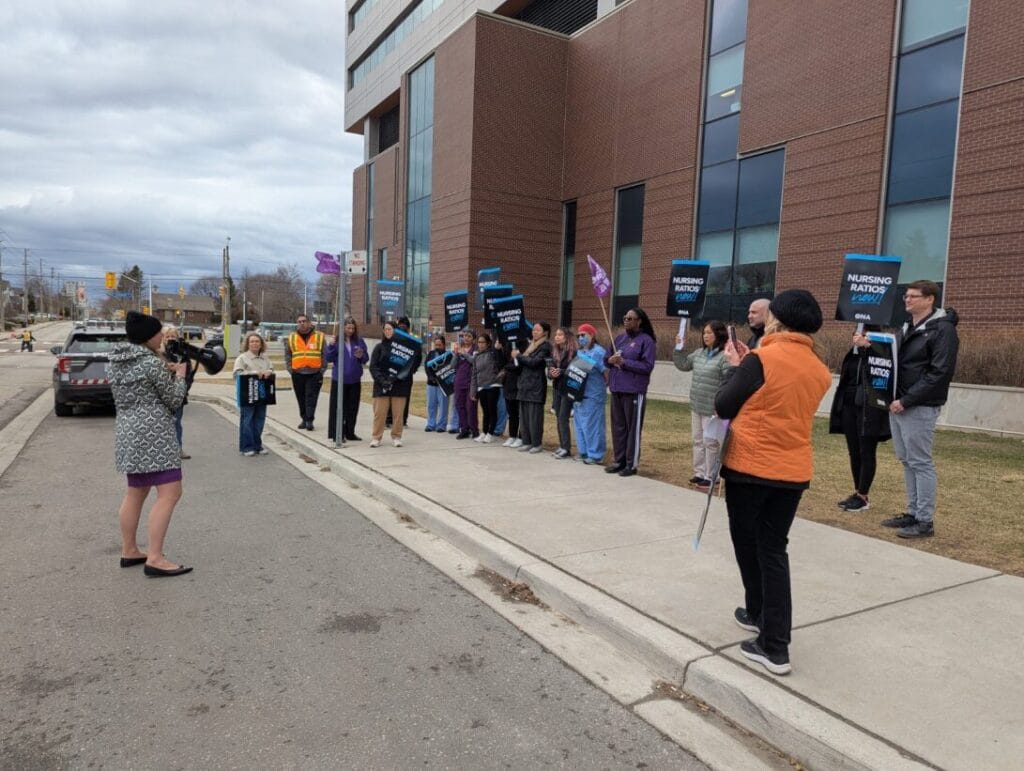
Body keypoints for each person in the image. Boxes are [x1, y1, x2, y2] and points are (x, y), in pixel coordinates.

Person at [714, 289, 832, 675]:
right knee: (773, 550)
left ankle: (773, 643)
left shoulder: (762, 359)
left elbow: (724, 404)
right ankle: (762, 620)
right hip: (793, 471)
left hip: (751, 467)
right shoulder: (817, 368)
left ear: (776, 318)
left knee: (750, 546)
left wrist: (736, 367)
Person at [108, 311, 192, 577]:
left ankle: (129, 549)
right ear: (148, 336)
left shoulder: (117, 362)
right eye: (158, 333)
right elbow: (174, 400)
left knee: (136, 492)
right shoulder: (152, 364)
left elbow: (140, 388)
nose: (161, 337)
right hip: (154, 434)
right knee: (170, 493)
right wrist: (179, 376)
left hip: (128, 432)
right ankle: (155, 557)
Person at [879, 280, 959, 539]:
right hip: (898, 403)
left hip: (918, 406)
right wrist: (867, 344)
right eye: (906, 296)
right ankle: (912, 512)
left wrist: (907, 400)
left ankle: (925, 521)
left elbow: (939, 372)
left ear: (930, 299)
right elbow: (893, 358)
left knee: (920, 462)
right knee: (907, 460)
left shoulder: (942, 330)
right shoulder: (907, 327)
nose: (907, 300)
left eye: (913, 296)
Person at [828, 325, 890, 512]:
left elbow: (879, 374)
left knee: (866, 451)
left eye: (862, 333)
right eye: (856, 333)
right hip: (848, 405)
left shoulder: (879, 353)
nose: (857, 336)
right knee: (854, 451)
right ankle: (857, 492)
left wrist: (867, 349)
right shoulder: (852, 353)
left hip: (868, 408)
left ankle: (863, 495)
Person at [674, 320, 732, 490]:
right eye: (704, 333)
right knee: (697, 440)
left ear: (719, 335)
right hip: (697, 405)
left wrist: (721, 402)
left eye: (710, 333)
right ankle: (699, 473)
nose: (706, 336)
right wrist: (679, 348)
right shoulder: (699, 353)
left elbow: (729, 379)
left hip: (713, 409)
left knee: (711, 442)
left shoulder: (724, 357)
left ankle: (711, 476)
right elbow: (683, 364)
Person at [604, 308, 656, 477]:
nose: (626, 320)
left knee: (632, 428)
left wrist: (625, 362)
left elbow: (647, 366)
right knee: (618, 427)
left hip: (634, 390)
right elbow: (606, 358)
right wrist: (610, 361)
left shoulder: (646, 341)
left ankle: (630, 464)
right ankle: (619, 460)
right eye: (625, 317)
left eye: (630, 318)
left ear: (639, 321)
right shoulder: (619, 339)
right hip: (617, 388)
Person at [368, 321, 415, 447]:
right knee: (379, 414)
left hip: (398, 385)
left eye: (390, 329)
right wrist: (383, 381)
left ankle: (397, 436)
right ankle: (376, 437)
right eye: (386, 329)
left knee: (398, 414)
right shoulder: (379, 347)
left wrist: (394, 379)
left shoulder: (403, 349)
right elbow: (373, 367)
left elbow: (406, 368)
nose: (388, 331)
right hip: (381, 385)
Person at [325, 317, 369, 441]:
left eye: (352, 328)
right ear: (343, 328)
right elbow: (328, 358)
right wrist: (331, 345)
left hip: (354, 380)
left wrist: (362, 355)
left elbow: (366, 359)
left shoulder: (359, 341)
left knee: (352, 408)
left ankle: (350, 432)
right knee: (337, 408)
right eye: (348, 328)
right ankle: (336, 434)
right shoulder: (337, 341)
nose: (350, 330)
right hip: (339, 380)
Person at [511, 322, 551, 454]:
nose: (534, 332)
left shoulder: (545, 346)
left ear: (545, 332)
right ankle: (526, 441)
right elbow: (523, 364)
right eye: (534, 330)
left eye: (538, 330)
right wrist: (516, 359)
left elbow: (534, 363)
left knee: (534, 418)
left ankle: (536, 443)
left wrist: (519, 356)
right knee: (524, 417)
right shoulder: (530, 345)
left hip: (536, 386)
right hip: (524, 385)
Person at [233, 332, 274, 456]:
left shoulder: (265, 358)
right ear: (247, 344)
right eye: (252, 341)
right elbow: (236, 374)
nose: (255, 343)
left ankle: (258, 445)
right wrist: (254, 373)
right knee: (247, 420)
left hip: (262, 394)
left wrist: (269, 372)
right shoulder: (242, 358)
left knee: (259, 420)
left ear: (261, 344)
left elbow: (271, 369)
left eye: (257, 341)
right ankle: (247, 447)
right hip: (247, 394)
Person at [572, 323, 607, 465]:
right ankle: (584, 451)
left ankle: (596, 454)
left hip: (593, 394)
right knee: (580, 424)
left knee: (593, 426)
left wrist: (605, 386)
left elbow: (606, 372)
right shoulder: (579, 352)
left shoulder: (598, 352)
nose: (580, 337)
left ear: (591, 336)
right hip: (579, 393)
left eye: (583, 335)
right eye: (578, 335)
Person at [284, 314, 327, 431]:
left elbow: (324, 354)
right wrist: (290, 369)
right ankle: (304, 418)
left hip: (314, 373)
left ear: (309, 323)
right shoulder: (291, 337)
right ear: (297, 324)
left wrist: (322, 370)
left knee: (311, 397)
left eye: (304, 321)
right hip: (297, 373)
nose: (302, 323)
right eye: (299, 321)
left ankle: (309, 420)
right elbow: (288, 354)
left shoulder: (319, 336)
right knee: (300, 397)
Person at [160, 325, 194, 460]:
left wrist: (184, 388)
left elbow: (189, 374)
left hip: (178, 394)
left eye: (172, 336)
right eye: (167, 336)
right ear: (162, 338)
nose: (170, 339)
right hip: (161, 395)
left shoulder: (182, 354)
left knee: (176, 422)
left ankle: (177, 449)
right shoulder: (158, 353)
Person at [547, 326, 577, 459]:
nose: (557, 337)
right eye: (556, 334)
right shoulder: (555, 351)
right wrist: (551, 373)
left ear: (567, 337)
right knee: (558, 417)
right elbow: (550, 368)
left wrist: (561, 372)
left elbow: (576, 371)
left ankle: (566, 448)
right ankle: (562, 446)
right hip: (556, 387)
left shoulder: (574, 352)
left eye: (560, 335)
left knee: (563, 418)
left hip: (568, 389)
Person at [470, 332, 505, 443]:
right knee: (485, 411)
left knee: (492, 410)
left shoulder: (492, 353)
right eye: (479, 342)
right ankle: (484, 432)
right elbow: (474, 374)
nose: (480, 344)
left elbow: (501, 364)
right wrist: (473, 390)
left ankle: (491, 433)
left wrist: (499, 377)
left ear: (488, 343)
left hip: (493, 385)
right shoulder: (476, 356)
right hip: (481, 387)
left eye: (483, 342)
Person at [452, 329, 479, 439]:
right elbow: (453, 366)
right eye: (464, 336)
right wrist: (456, 354)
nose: (466, 338)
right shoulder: (459, 349)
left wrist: (465, 354)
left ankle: (474, 430)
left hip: (471, 382)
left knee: (471, 406)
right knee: (460, 406)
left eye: (469, 336)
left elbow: (475, 362)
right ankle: (464, 429)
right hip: (459, 381)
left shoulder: (476, 349)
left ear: (473, 339)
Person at [497, 337, 523, 447]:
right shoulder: (507, 343)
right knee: (511, 413)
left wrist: (508, 366)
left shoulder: (523, 343)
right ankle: (512, 436)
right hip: (508, 383)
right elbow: (501, 364)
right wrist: (498, 350)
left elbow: (518, 367)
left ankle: (521, 437)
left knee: (520, 413)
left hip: (519, 384)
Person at [424, 334, 450, 432]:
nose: (437, 347)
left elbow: (450, 369)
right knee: (431, 405)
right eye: (436, 345)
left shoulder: (448, 355)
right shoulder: (431, 354)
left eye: (439, 345)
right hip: (431, 384)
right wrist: (431, 377)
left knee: (443, 406)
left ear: (444, 345)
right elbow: (427, 367)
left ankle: (442, 425)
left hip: (443, 385)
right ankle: (431, 424)